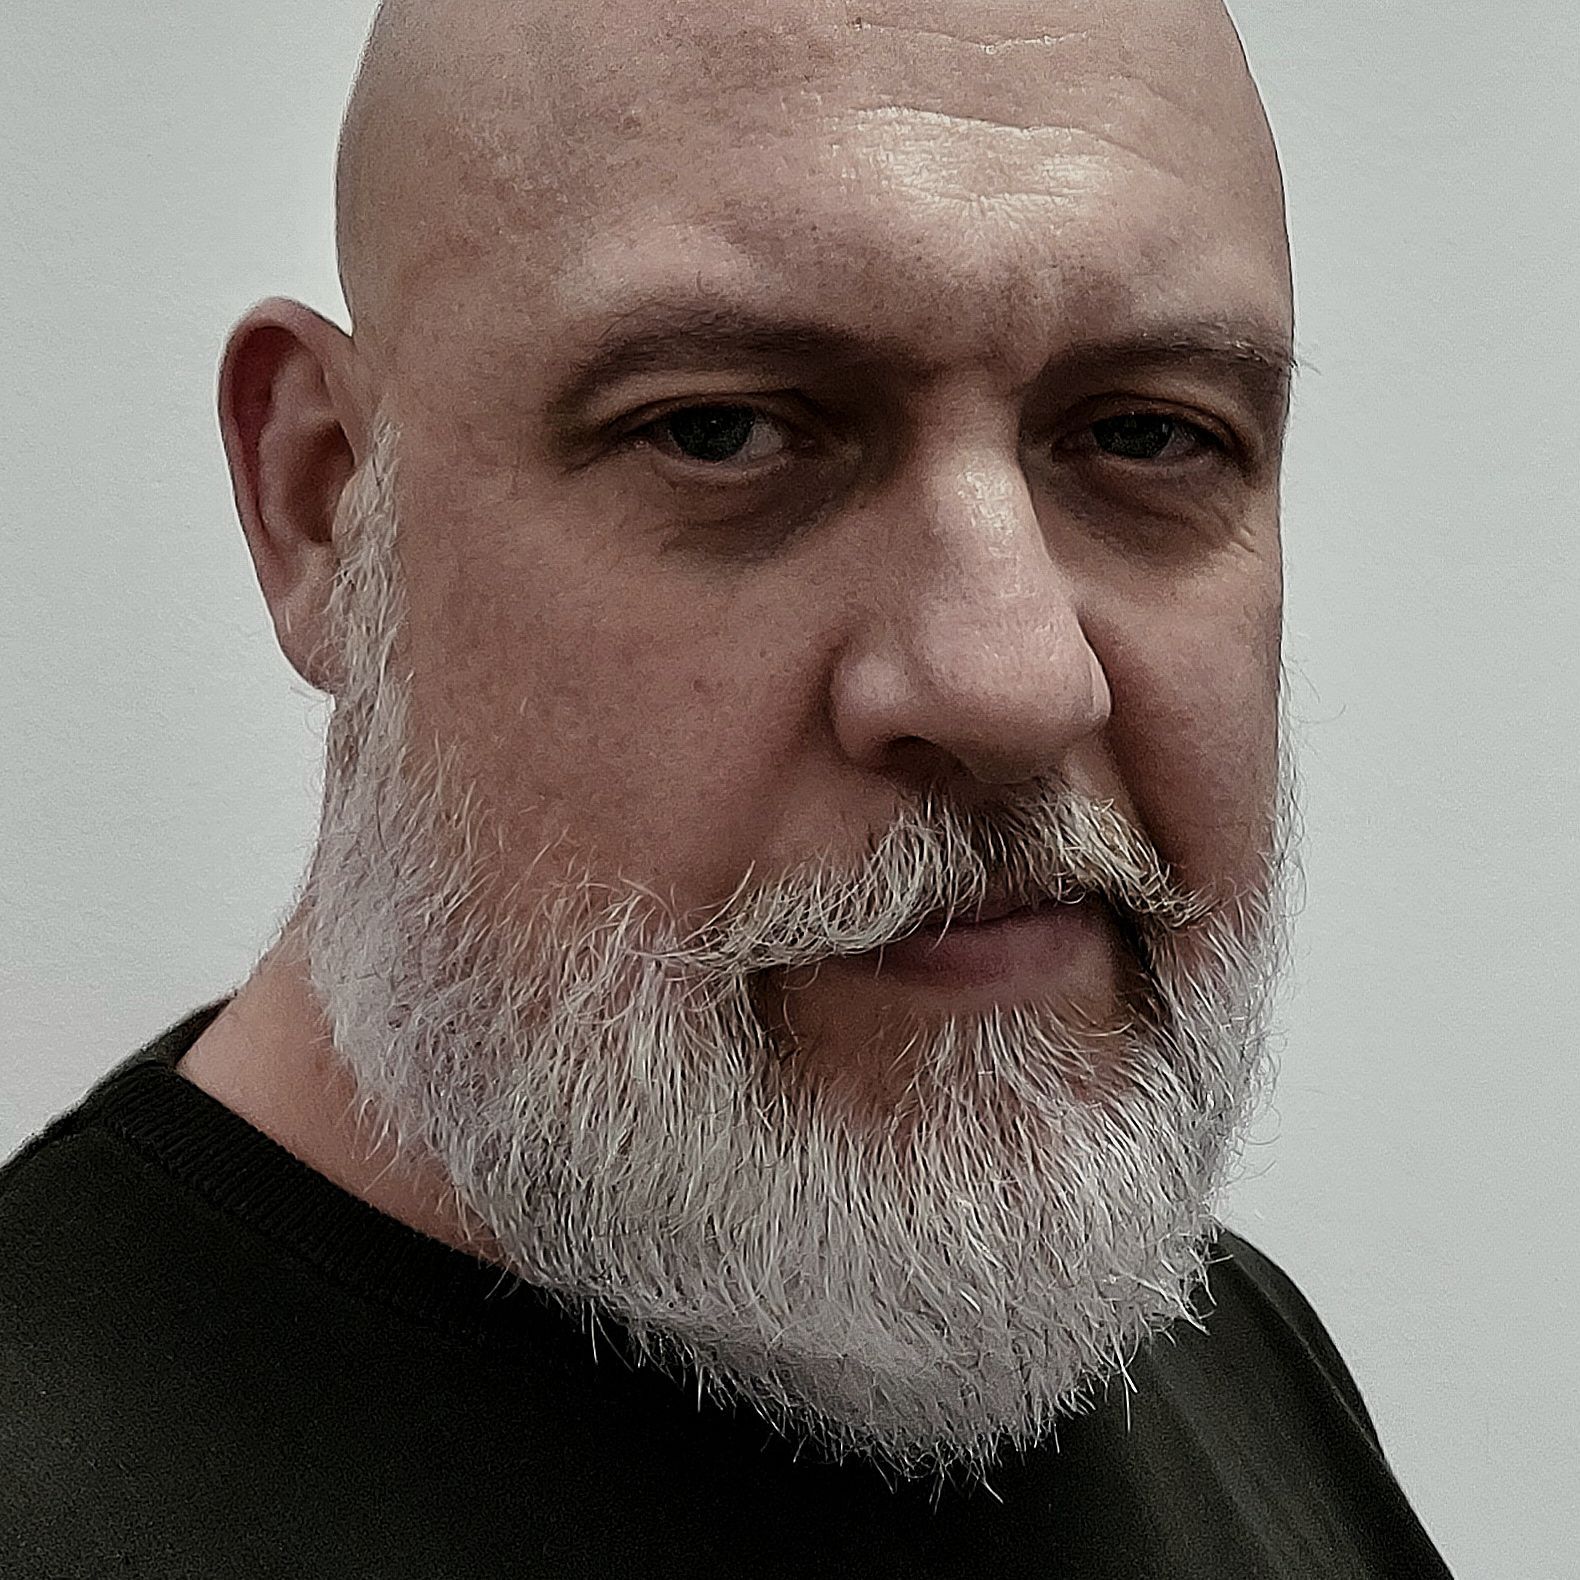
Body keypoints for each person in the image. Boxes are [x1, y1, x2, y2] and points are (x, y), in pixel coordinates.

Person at [0, 0, 1458, 1573]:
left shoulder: (1235, 1362)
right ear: (324, 508)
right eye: (721, 429)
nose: (1011, 684)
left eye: (1151, 434)